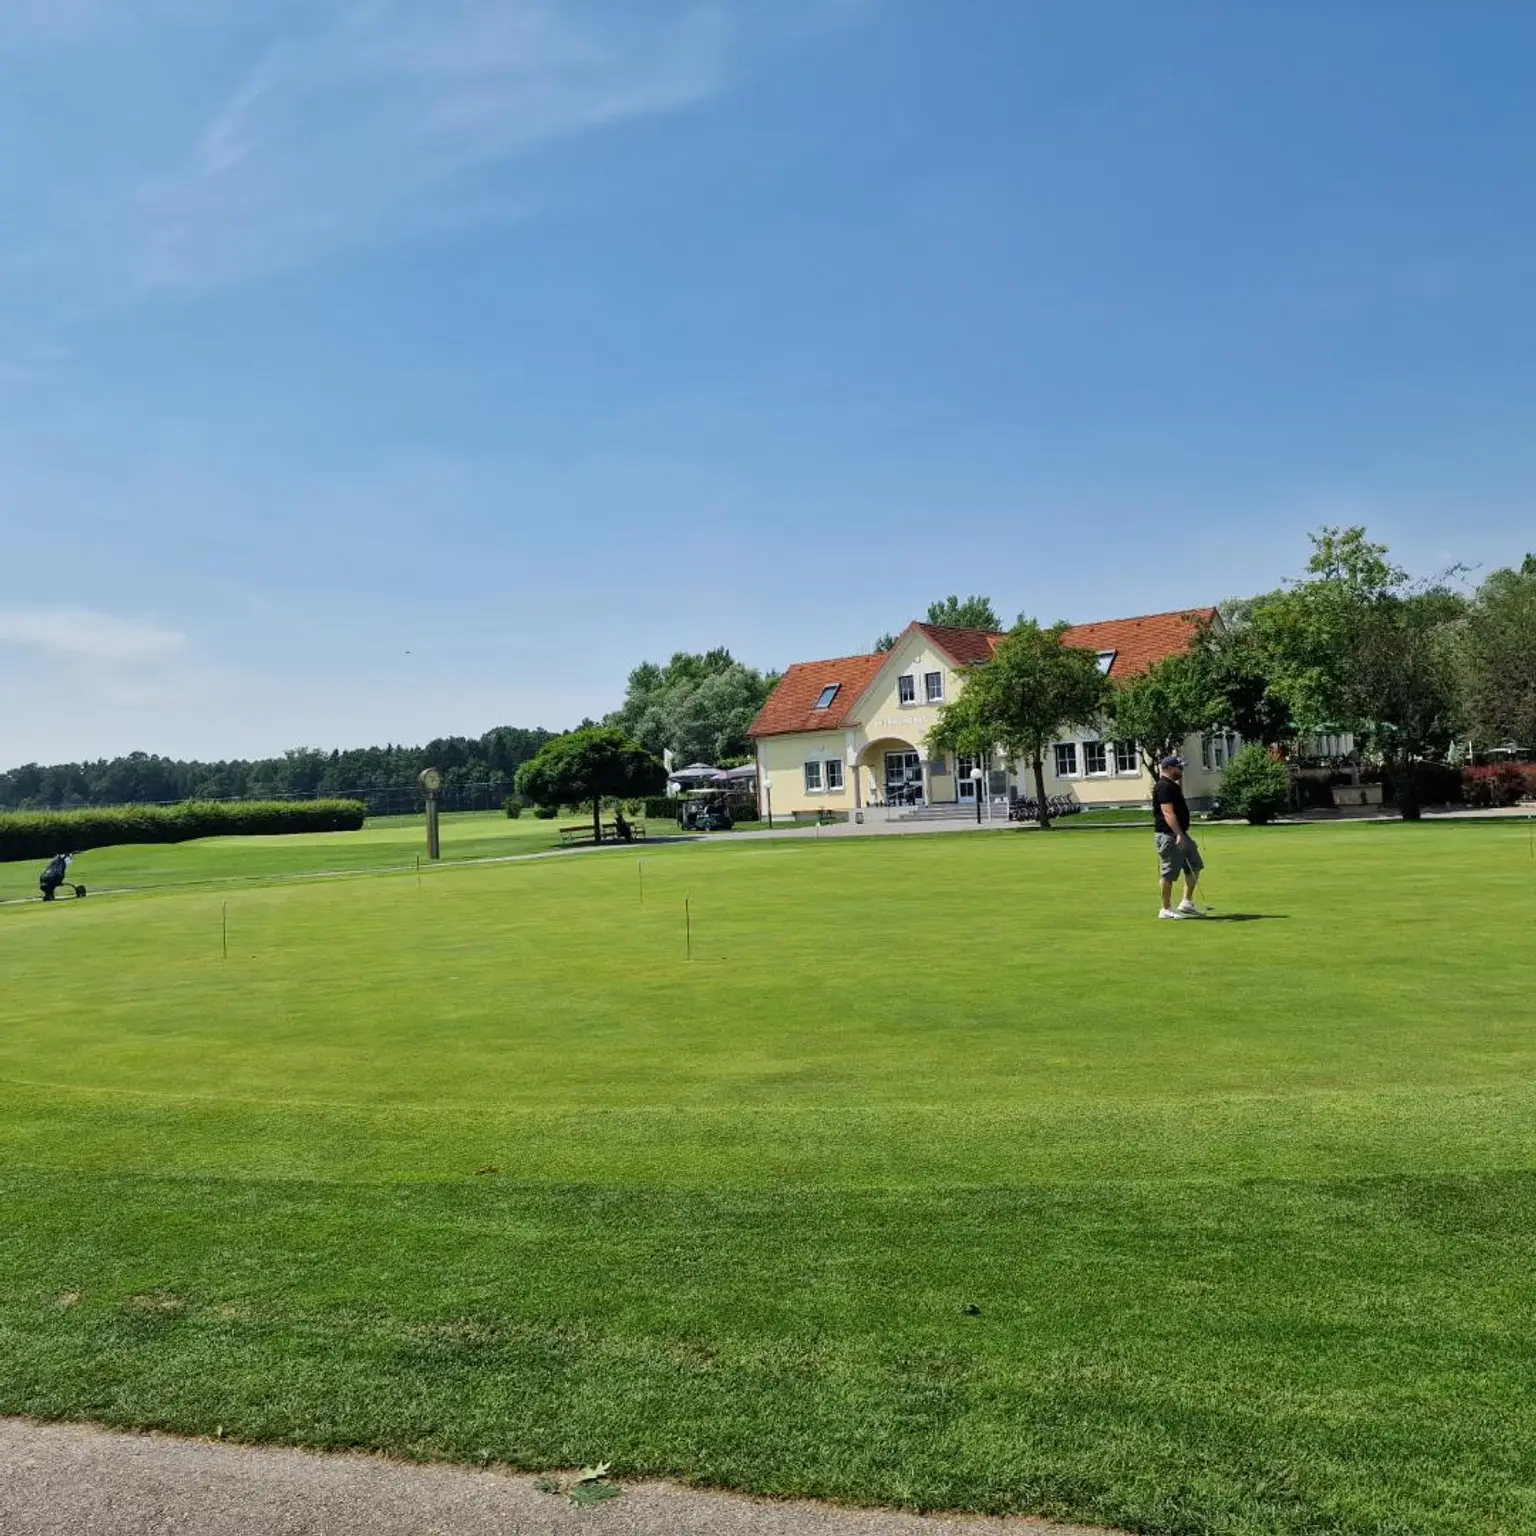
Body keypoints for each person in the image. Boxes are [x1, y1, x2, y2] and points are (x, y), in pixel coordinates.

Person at [1152, 756, 1204, 919]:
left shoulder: (1172, 786)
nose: (1181, 770)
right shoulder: (1163, 787)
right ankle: (1165, 909)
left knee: (1195, 864)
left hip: (1180, 834)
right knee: (1168, 872)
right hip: (1170, 835)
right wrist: (1179, 834)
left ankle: (1186, 903)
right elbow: (1168, 813)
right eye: (1179, 767)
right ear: (1168, 768)